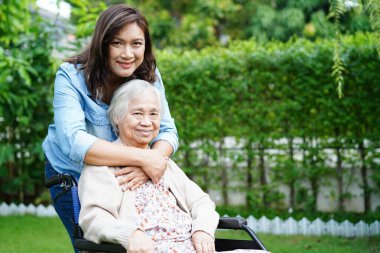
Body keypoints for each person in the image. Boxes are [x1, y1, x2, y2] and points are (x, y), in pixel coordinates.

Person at [42, 4, 178, 251]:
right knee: (95, 246)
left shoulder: (149, 76)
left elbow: (168, 132)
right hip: (72, 175)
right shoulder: (70, 76)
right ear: (102, 43)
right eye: (117, 43)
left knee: (140, 241)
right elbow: (74, 142)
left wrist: (152, 164)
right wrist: (143, 159)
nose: (128, 53)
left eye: (136, 43)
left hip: (125, 174)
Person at [78, 79, 219, 253]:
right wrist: (130, 235)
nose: (147, 122)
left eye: (153, 114)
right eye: (137, 113)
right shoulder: (102, 166)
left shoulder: (162, 163)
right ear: (117, 117)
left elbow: (201, 202)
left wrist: (202, 229)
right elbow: (94, 219)